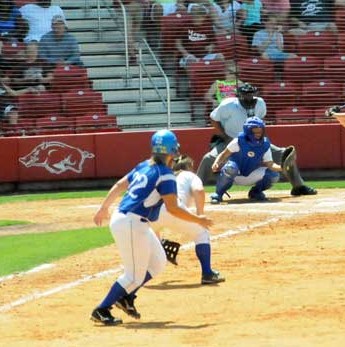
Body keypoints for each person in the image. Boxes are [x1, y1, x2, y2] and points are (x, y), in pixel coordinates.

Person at [90, 130, 212, 326]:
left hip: (134, 222)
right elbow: (172, 208)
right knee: (133, 275)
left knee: (157, 262)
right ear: (173, 150)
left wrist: (103, 208)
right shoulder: (166, 175)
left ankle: (126, 296)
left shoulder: (143, 166)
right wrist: (198, 220)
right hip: (131, 223)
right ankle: (102, 309)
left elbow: (120, 185)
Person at [196, 83, 317, 196]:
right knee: (208, 158)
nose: (249, 97)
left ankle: (298, 186)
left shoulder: (260, 103)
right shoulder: (228, 105)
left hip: (254, 141)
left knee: (284, 153)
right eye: (245, 95)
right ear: (240, 95)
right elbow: (213, 118)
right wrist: (224, 135)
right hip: (232, 139)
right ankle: (194, 188)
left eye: (251, 94)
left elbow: (260, 122)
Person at [151, 155, 225, 284]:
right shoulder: (190, 175)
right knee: (201, 233)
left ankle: (158, 245)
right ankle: (207, 274)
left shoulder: (167, 175)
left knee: (152, 229)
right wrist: (199, 215)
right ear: (190, 167)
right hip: (174, 209)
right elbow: (199, 190)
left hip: (152, 212)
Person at [209, 116, 282, 203]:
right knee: (230, 167)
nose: (258, 133)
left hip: (251, 174)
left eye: (260, 130)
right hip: (234, 175)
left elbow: (269, 164)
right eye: (255, 130)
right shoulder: (238, 141)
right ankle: (218, 194)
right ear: (248, 130)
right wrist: (216, 163)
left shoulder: (265, 144)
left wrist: (282, 168)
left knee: (274, 175)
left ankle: (255, 192)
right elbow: (223, 154)